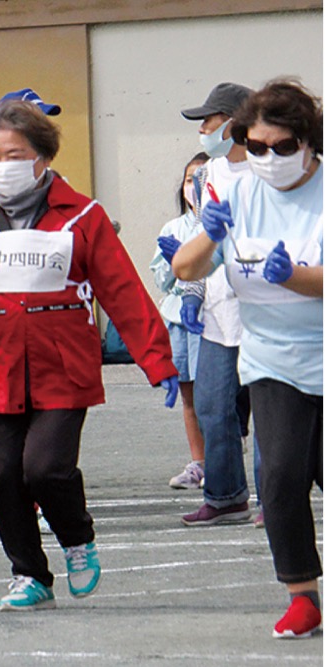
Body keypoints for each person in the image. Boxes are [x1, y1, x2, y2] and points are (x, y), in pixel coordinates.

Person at [0, 101, 178, 611]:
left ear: (42, 157)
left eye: (13, 155)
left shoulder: (83, 216)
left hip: (62, 361)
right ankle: (29, 573)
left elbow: (122, 290)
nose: (0, 165)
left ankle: (77, 539)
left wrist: (157, 360)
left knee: (46, 469)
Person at [172, 79, 322, 639]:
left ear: (309, 143)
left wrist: (297, 277)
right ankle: (302, 595)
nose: (268, 157)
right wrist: (209, 237)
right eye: (256, 146)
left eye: (282, 147)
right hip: (272, 359)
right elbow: (187, 268)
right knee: (279, 475)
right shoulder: (237, 192)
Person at [174, 83, 257, 527]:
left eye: (209, 120)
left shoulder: (269, 168)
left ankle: (275, 500)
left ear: (235, 122)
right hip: (218, 308)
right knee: (211, 406)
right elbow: (201, 238)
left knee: (270, 413)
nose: (202, 129)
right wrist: (192, 291)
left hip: (264, 308)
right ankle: (225, 496)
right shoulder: (208, 174)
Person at [151, 151, 210, 513]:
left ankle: (221, 461)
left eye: (202, 179)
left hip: (211, 319)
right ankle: (199, 462)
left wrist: (191, 261)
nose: (195, 187)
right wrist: (176, 263)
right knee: (188, 395)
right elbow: (162, 279)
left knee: (214, 397)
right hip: (177, 319)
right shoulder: (172, 228)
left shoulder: (217, 225)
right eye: (190, 180)